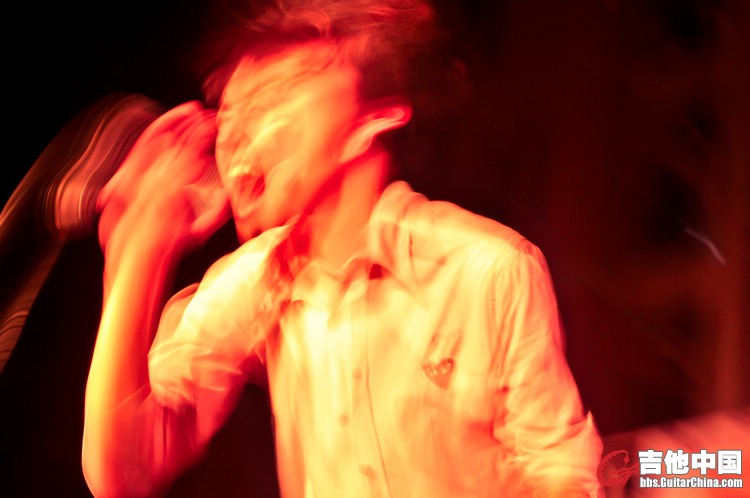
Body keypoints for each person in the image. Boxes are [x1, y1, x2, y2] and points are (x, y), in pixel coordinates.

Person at [82, 0, 604, 496]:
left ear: (371, 119)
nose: (238, 136)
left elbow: (560, 468)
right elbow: (125, 473)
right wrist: (140, 253)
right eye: (232, 113)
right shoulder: (252, 283)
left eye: (275, 96)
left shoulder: (485, 268)